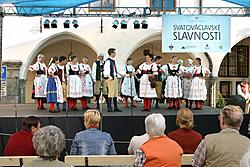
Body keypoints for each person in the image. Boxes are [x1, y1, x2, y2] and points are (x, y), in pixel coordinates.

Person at [103, 48, 122, 112]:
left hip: (115, 78)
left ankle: (115, 107)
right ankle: (109, 107)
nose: (115, 54)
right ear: (111, 53)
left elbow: (117, 69)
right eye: (114, 53)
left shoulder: (114, 61)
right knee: (111, 92)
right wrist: (109, 76)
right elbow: (106, 70)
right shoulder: (108, 61)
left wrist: (122, 74)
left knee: (115, 93)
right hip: (111, 78)